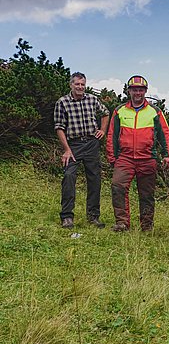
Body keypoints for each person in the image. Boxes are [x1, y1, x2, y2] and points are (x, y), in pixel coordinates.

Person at [106, 75, 169, 232]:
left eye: (141, 90)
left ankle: (147, 225)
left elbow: (165, 134)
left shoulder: (155, 112)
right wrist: (111, 156)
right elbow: (112, 134)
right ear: (129, 91)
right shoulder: (119, 111)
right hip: (125, 158)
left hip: (147, 158)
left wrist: (167, 154)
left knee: (147, 193)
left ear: (145, 91)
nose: (137, 93)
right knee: (117, 186)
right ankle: (122, 223)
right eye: (134, 90)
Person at [54, 72, 110, 229]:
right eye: (77, 84)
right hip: (73, 145)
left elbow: (105, 113)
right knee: (69, 176)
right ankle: (67, 216)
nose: (80, 87)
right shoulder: (62, 102)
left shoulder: (92, 99)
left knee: (94, 179)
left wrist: (102, 130)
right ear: (71, 85)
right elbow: (59, 127)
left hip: (92, 143)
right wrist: (66, 149)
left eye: (82, 84)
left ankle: (93, 216)